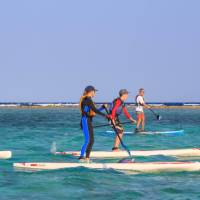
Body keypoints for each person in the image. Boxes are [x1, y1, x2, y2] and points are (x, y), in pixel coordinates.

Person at [79, 85, 108, 162]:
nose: (95, 93)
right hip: (85, 121)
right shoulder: (88, 99)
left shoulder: (87, 99)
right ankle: (83, 157)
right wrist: (105, 115)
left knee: (90, 140)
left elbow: (93, 111)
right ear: (92, 92)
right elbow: (94, 110)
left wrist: (102, 108)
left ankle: (85, 157)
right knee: (89, 140)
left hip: (86, 121)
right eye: (95, 91)